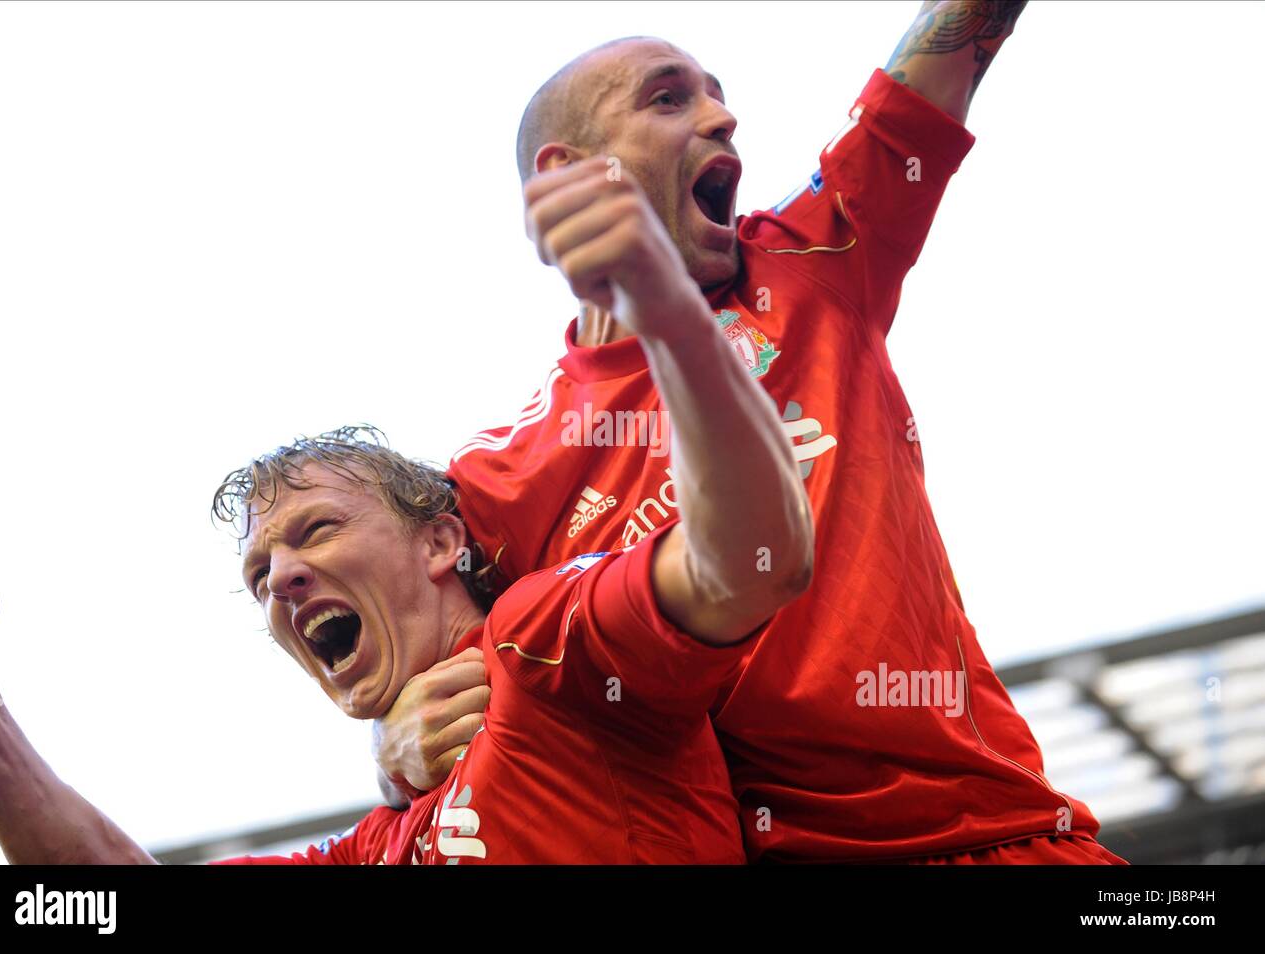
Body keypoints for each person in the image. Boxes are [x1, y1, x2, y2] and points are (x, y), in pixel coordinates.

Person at [372, 8, 1127, 863]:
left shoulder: (812, 261)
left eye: (718, 98)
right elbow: (456, 667)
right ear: (568, 174)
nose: (720, 117)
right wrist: (390, 748)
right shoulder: (492, 482)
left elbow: (945, 57)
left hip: (995, 837)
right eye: (666, 99)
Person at [0, 163, 814, 863]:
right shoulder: (374, 848)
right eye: (259, 575)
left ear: (442, 541)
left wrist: (665, 316)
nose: (283, 579)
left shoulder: (546, 641)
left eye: (319, 529)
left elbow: (754, 558)